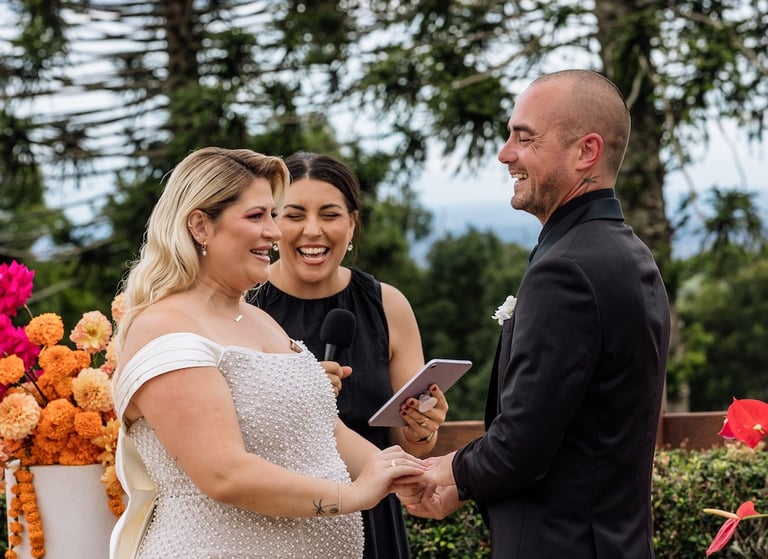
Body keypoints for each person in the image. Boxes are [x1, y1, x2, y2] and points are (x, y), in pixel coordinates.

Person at [397, 69, 671, 559]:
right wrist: (461, 483)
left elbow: (521, 445)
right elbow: (583, 429)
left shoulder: (565, 269)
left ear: (586, 152)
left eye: (525, 138)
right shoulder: (630, 255)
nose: (505, 154)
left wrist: (446, 472)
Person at [109, 147, 426, 559]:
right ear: (200, 226)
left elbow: (327, 432)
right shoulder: (163, 327)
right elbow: (225, 474)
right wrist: (349, 496)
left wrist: (403, 472)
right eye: (257, 216)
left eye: (273, 216)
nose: (275, 233)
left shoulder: (261, 321)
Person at [248, 151, 448, 559]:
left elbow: (406, 444)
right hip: (276, 518)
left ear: (352, 223)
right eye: (294, 214)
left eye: (330, 214)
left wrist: (420, 430)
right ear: (271, 222)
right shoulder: (244, 304)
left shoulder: (388, 305)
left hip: (374, 520)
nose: (313, 230)